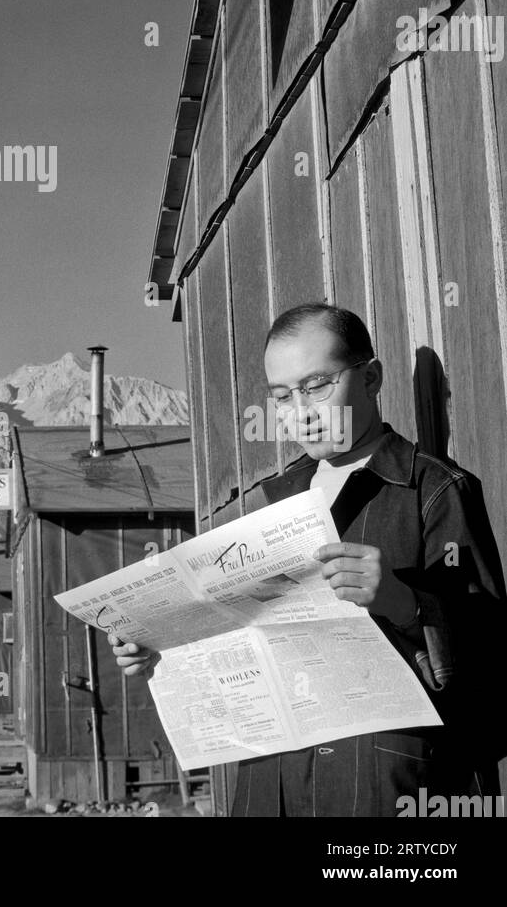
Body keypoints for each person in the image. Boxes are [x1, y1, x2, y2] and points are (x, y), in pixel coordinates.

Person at [110, 302, 507, 818]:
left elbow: (492, 661)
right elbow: (236, 639)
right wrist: (162, 649)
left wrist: (405, 603)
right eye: (281, 395)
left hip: (386, 787)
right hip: (272, 785)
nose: (302, 409)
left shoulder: (434, 491)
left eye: (317, 384)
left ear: (371, 379)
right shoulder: (266, 504)